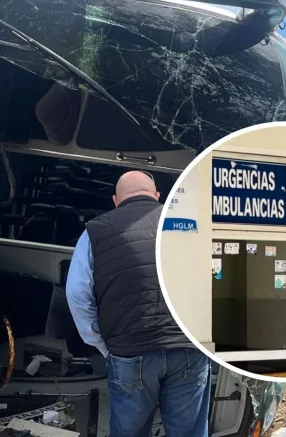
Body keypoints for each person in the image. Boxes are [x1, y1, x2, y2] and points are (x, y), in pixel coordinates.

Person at [66, 170, 210, 437]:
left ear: (115, 200)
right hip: (189, 347)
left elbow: (77, 294)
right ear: (157, 196)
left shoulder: (95, 232)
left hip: (130, 351)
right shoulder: (192, 225)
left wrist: (101, 343)